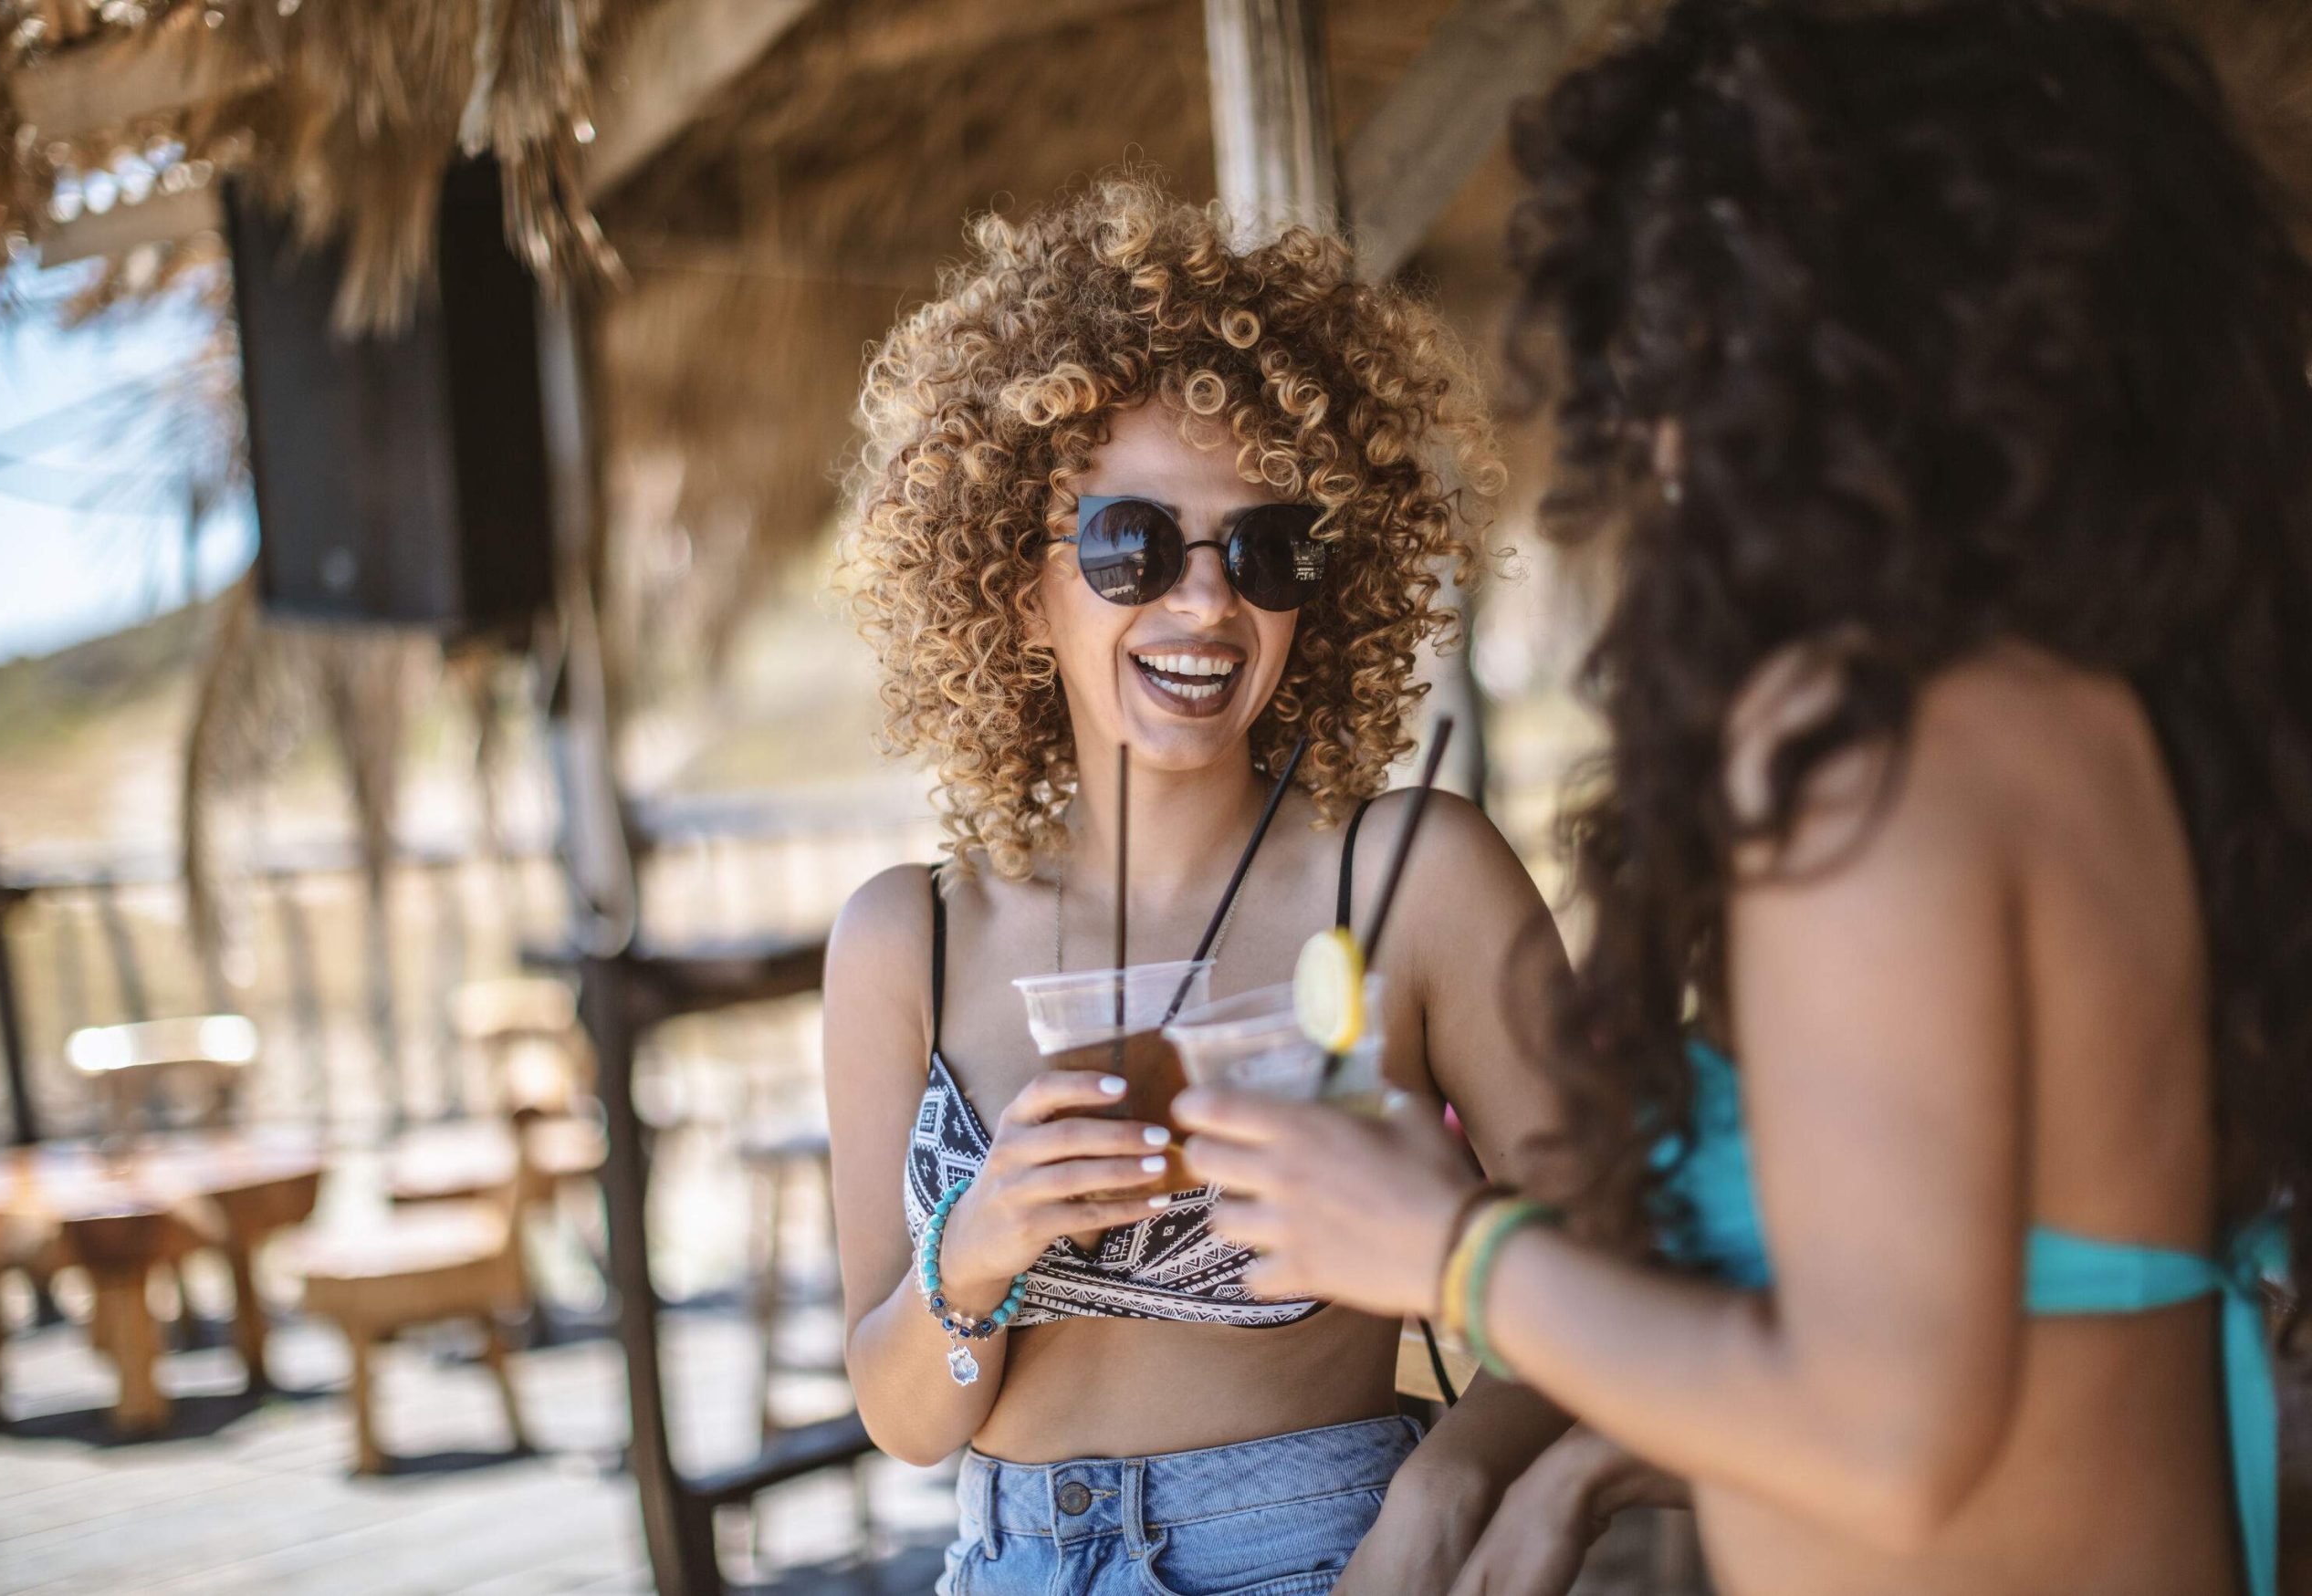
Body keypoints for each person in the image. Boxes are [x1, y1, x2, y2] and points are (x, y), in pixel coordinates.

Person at [1176, 3, 2312, 1594]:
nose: (1647, 428)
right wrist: (1577, 1455)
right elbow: (2006, 1329)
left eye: (1663, 338)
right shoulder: (2067, 709)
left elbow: (1892, 1438)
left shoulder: (1869, 738)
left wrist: (1447, 1250)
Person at [824, 173, 1585, 1596]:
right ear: (1014, 580)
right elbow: (900, 1415)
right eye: (1131, 544)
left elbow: (1608, 1259)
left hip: (1326, 1555)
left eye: (1266, 548)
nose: (1206, 601)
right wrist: (977, 1243)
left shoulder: (1410, 879)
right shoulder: (904, 943)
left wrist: (1444, 1491)